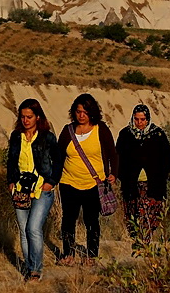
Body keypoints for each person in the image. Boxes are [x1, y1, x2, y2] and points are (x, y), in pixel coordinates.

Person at [56, 93, 118, 267]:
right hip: (68, 182)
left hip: (93, 184)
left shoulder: (101, 129)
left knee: (91, 220)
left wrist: (114, 173)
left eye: (85, 112)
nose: (81, 115)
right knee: (68, 219)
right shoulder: (68, 131)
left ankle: (91, 255)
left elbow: (113, 153)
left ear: (92, 113)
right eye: (78, 111)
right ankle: (68, 254)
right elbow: (59, 156)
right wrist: (54, 178)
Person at [6, 98, 62, 283]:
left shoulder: (47, 137)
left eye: (29, 116)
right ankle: (30, 268)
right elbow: (11, 161)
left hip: (41, 188)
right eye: (22, 117)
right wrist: (11, 181)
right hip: (21, 187)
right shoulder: (16, 136)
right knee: (23, 230)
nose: (25, 120)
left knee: (33, 228)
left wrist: (51, 181)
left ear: (38, 117)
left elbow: (59, 161)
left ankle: (36, 270)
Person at [116, 104, 170, 249]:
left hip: (153, 184)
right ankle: (137, 240)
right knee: (132, 213)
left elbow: (167, 158)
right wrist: (121, 174)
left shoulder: (158, 134)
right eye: (136, 119)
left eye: (142, 119)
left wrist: (161, 175)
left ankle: (144, 243)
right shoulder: (125, 134)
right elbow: (118, 156)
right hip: (131, 184)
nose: (139, 123)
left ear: (148, 119)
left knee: (149, 214)